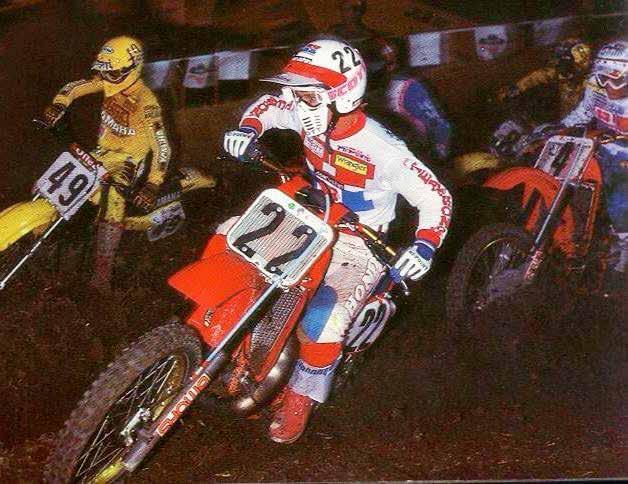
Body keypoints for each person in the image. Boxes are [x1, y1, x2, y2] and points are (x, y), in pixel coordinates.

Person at [222, 39, 451, 444]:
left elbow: (436, 196)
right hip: (306, 214)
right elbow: (269, 105)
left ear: (343, 97)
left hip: (359, 241)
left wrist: (424, 244)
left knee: (323, 321)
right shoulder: (307, 111)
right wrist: (247, 129)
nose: (296, 104)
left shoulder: (385, 149)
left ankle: (300, 399)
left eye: (307, 96)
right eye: (295, 92)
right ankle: (220, 342)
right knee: (228, 235)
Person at [43, 35, 172, 290]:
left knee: (114, 197)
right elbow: (75, 86)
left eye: (112, 73)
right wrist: (59, 105)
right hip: (101, 152)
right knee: (59, 178)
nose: (107, 78)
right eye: (105, 71)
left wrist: (152, 184)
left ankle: (102, 275)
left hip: (128, 162)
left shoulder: (147, 102)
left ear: (131, 68)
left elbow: (162, 147)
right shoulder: (108, 79)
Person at [560, 39, 628, 281]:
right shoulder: (595, 87)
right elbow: (584, 111)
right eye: (602, 76)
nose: (608, 84)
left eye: (616, 78)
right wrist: (560, 127)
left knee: (618, 192)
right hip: (600, 145)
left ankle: (625, 244)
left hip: (623, 153)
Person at [496, 38, 592, 120]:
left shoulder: (590, 81)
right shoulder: (556, 73)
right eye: (560, 61)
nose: (559, 64)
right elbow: (537, 77)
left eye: (564, 62)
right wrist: (515, 88)